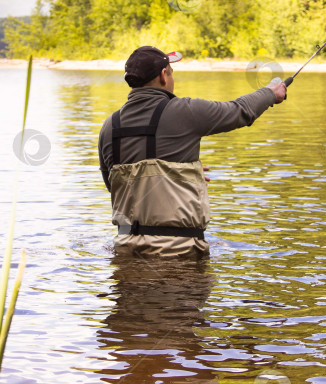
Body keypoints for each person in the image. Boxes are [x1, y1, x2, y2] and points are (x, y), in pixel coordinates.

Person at [98, 45, 286, 257]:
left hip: (126, 255)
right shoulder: (185, 111)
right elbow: (240, 111)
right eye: (171, 72)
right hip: (181, 255)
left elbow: (114, 187)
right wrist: (271, 92)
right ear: (163, 75)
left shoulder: (109, 127)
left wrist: (176, 178)